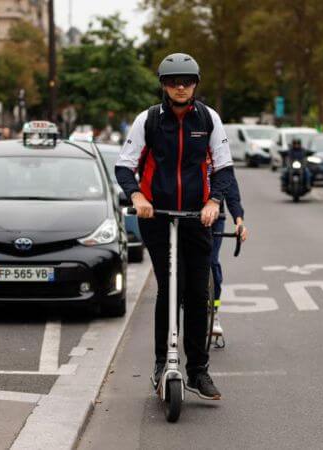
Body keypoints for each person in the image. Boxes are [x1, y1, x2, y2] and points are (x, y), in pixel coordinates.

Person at [115, 53, 245, 401]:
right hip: (157, 217)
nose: (181, 87)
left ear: (195, 84)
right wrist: (137, 196)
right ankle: (163, 364)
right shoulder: (148, 120)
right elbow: (124, 166)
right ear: (164, 85)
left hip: (197, 217)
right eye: (174, 82)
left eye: (187, 82)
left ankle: (198, 371)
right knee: (170, 288)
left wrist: (213, 202)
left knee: (198, 294)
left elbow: (223, 168)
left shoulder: (209, 118)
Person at [207, 154, 247, 340]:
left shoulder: (219, 154)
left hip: (216, 217)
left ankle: (214, 313)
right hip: (189, 216)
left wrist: (239, 221)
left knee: (212, 261)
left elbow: (232, 193)